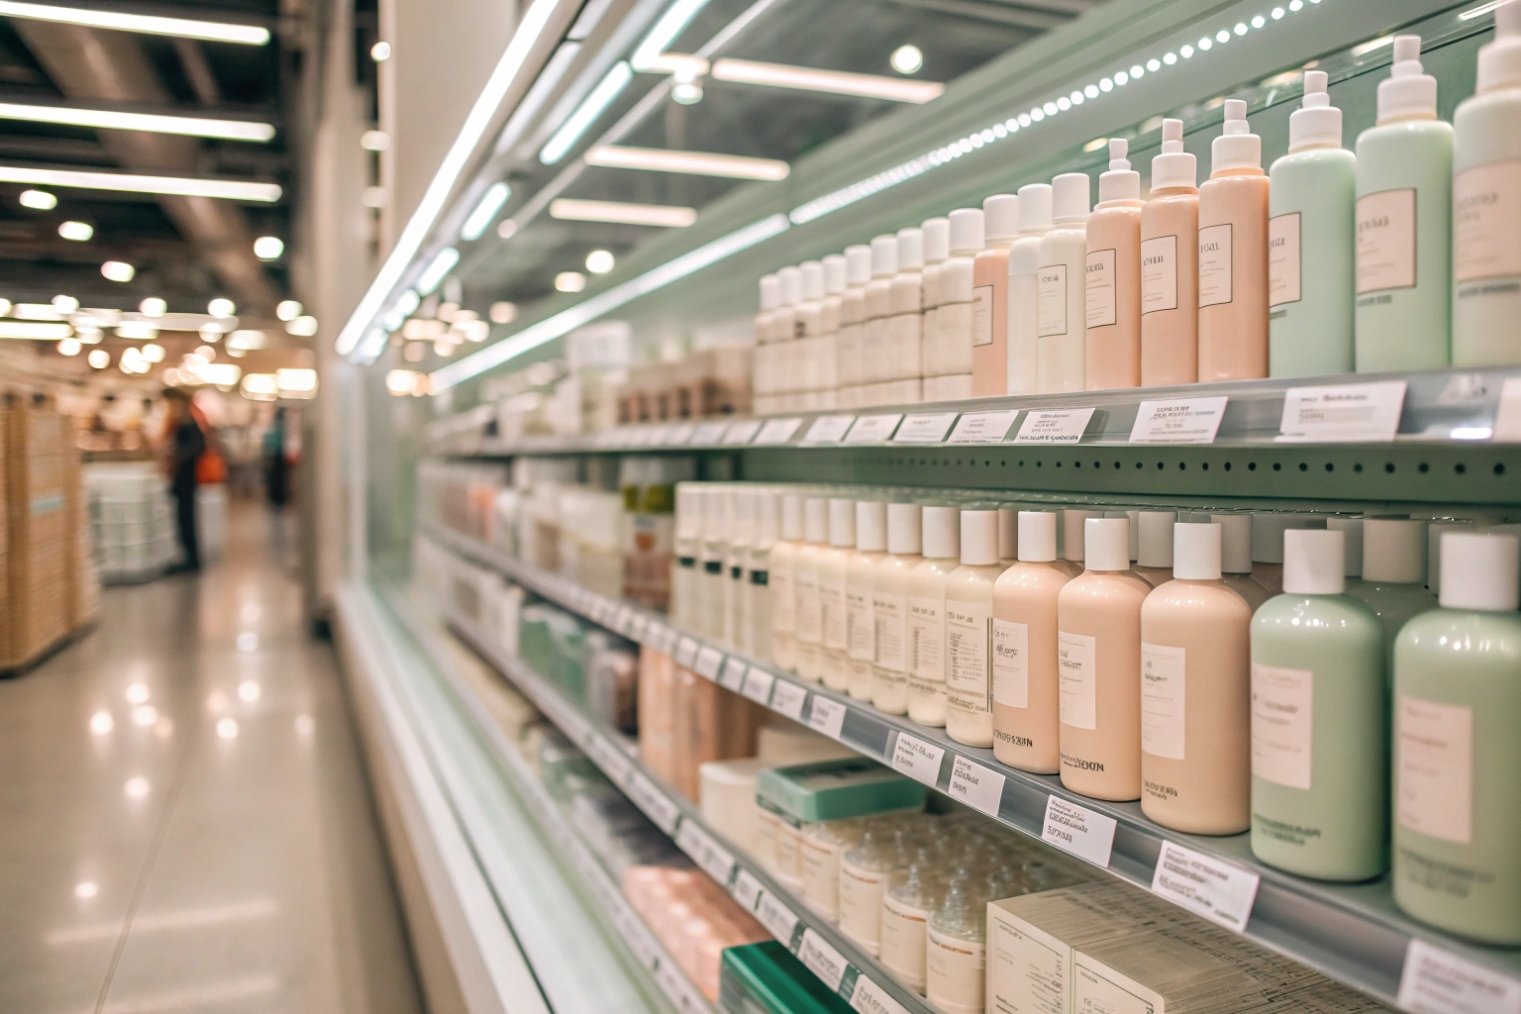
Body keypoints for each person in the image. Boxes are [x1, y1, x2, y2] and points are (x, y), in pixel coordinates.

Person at [162, 388, 206, 572]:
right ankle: (188, 555)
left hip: (186, 479)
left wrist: (177, 454)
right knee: (183, 518)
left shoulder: (188, 422)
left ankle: (192, 558)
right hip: (184, 479)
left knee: (186, 519)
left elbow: (198, 447)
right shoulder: (182, 422)